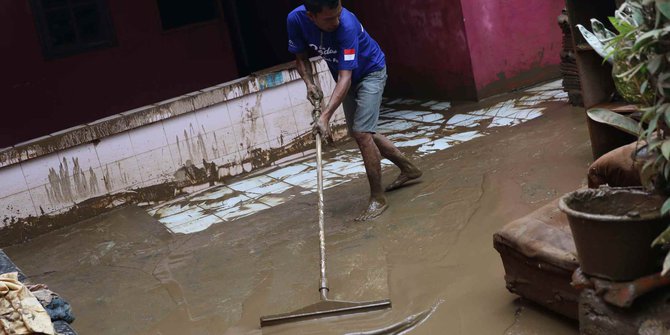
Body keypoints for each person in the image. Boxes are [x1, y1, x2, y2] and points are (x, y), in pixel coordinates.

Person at [287, 0, 422, 221]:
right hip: (348, 79)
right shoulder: (295, 20)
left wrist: (325, 116)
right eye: (330, 18)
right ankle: (409, 169)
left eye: (338, 14)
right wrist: (309, 84)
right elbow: (300, 58)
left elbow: (345, 77)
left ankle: (378, 199)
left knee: (361, 133)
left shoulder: (347, 25)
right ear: (311, 16)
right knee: (363, 131)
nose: (336, 21)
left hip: (370, 72)